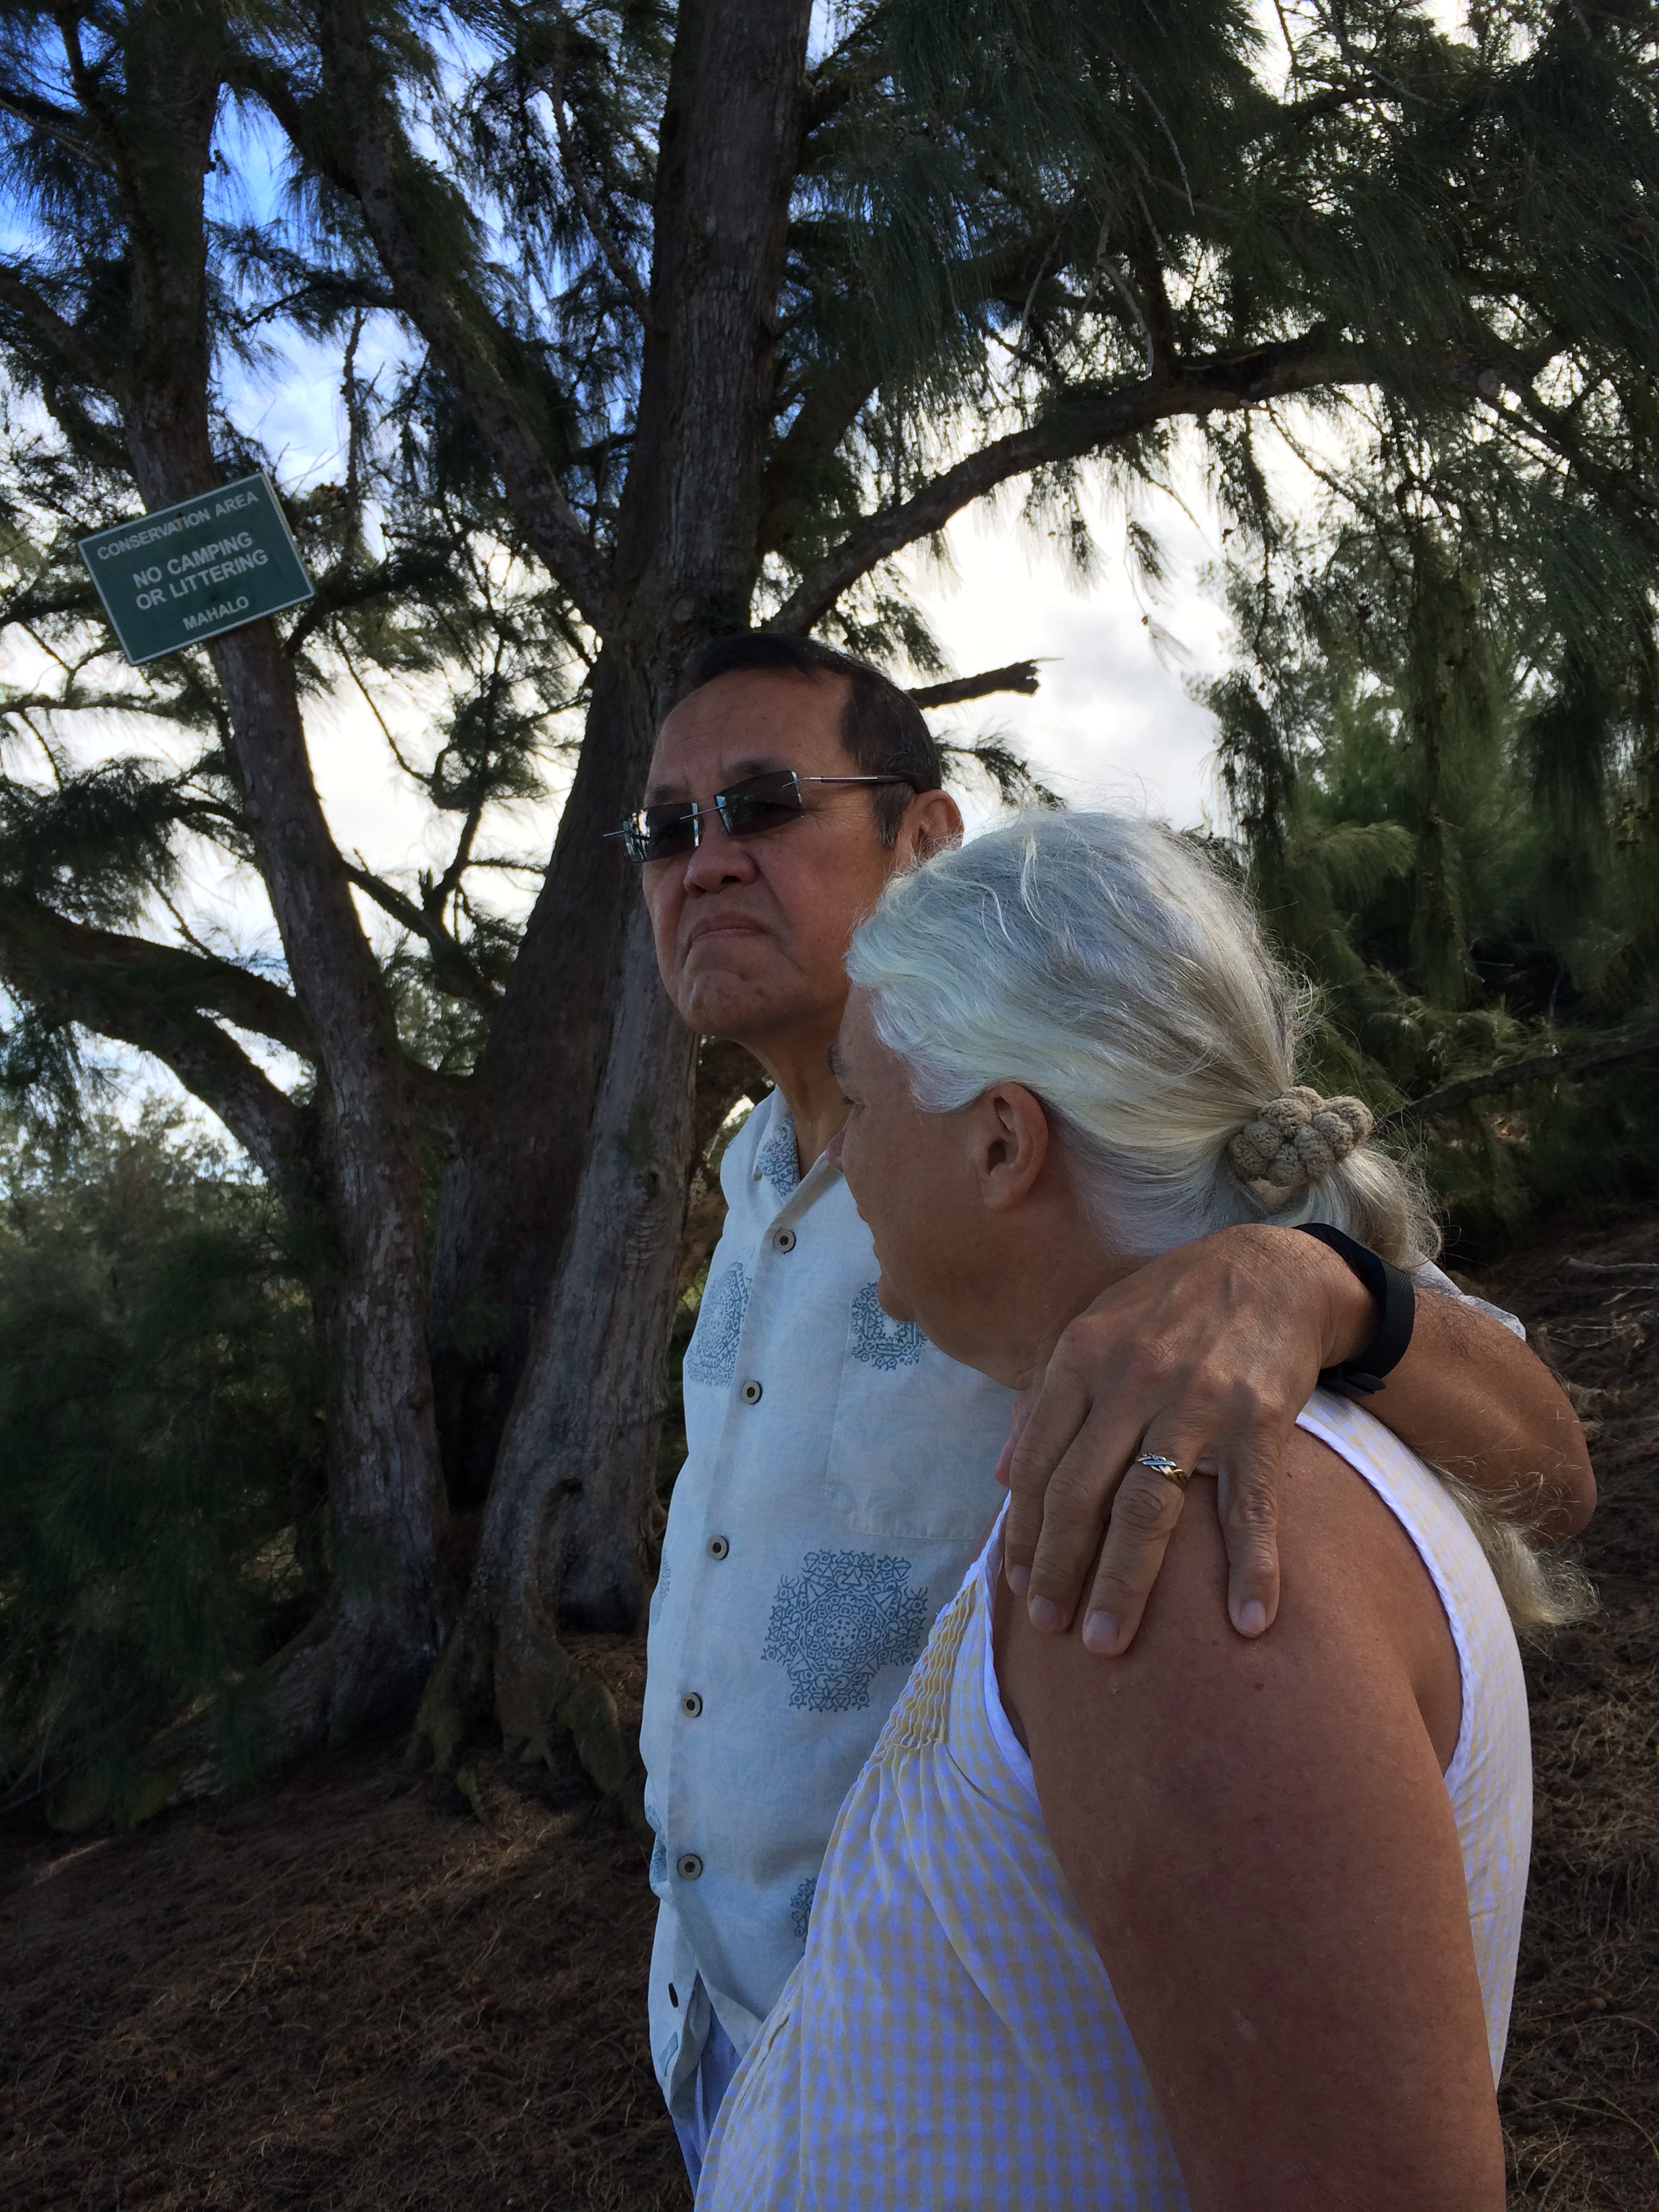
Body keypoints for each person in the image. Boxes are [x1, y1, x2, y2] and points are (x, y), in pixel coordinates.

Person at [628, 635, 1591, 2184]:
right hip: (730, 2029)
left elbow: (1547, 1468)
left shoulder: (1101, 1176)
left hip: (1026, 2030)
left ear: (926, 837)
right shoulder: (746, 1185)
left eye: (762, 802)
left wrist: (1318, 1287)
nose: (706, 859)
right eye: (666, 828)